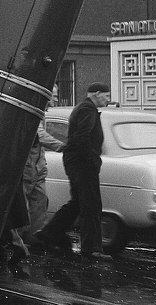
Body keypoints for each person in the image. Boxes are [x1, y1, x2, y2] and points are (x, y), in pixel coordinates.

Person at [34, 82, 110, 259]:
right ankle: (91, 249)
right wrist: (93, 160)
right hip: (83, 163)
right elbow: (82, 137)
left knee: (77, 203)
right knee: (91, 205)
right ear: (96, 94)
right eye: (106, 95)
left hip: (77, 161)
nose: (108, 99)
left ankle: (47, 234)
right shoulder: (87, 110)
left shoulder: (84, 108)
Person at [21, 120, 64, 244]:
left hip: (35, 167)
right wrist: (61, 146)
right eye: (52, 99)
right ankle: (20, 239)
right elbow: (39, 134)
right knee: (26, 206)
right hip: (29, 168)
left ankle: (33, 237)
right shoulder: (36, 113)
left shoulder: (40, 114)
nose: (54, 99)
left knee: (39, 202)